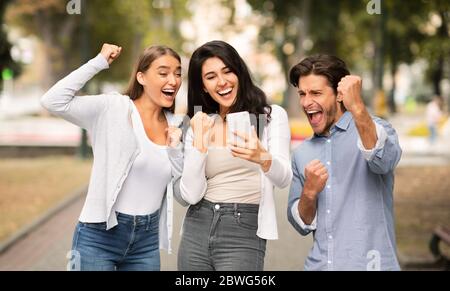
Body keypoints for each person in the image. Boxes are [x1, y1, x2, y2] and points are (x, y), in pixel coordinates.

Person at [41, 43, 184, 271]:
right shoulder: (112, 108)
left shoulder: (176, 126)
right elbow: (52, 101)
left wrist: (176, 149)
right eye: (163, 73)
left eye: (178, 73)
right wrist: (98, 62)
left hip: (146, 242)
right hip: (99, 236)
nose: (173, 80)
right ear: (141, 77)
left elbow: (183, 186)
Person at [175, 40, 292, 271]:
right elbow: (190, 194)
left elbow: (284, 177)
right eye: (210, 76)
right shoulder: (198, 123)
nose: (222, 82)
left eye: (227, 71)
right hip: (198, 225)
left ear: (239, 72)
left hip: (244, 229)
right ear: (203, 86)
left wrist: (262, 157)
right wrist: (199, 143)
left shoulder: (270, 117)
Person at [287, 55, 402, 270]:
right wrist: (309, 194)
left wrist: (357, 106)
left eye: (316, 93)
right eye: (302, 94)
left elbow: (384, 160)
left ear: (340, 95)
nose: (305, 102)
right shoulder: (302, 152)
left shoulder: (377, 130)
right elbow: (299, 223)